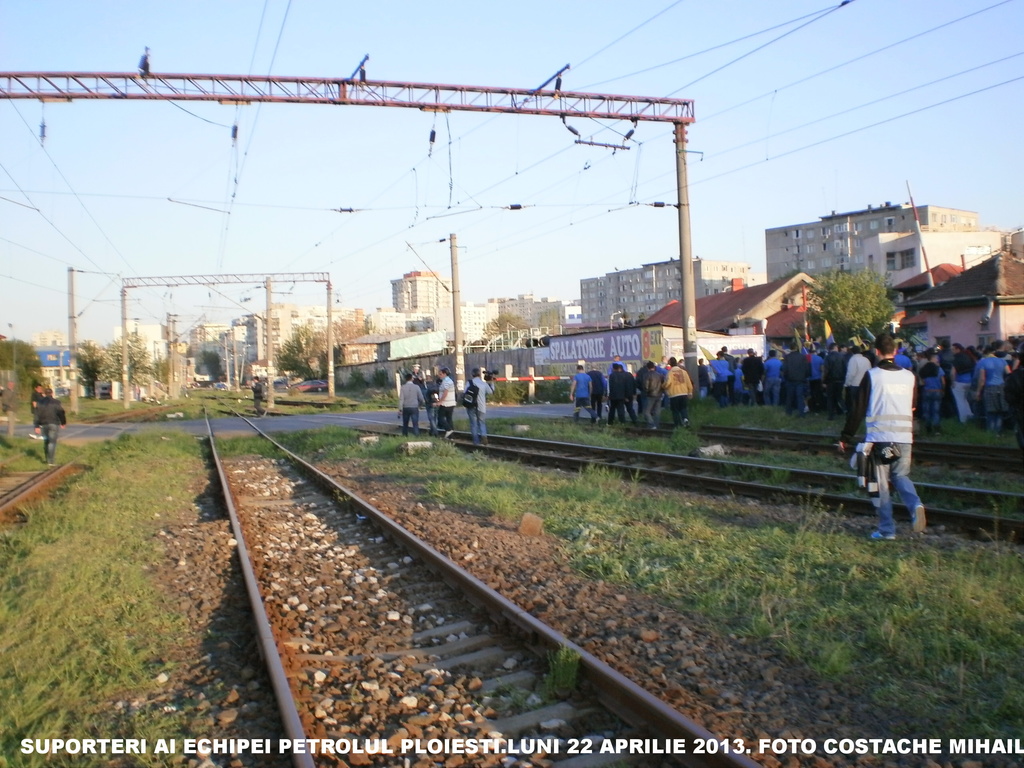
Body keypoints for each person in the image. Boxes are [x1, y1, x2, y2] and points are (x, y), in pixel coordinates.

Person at [840, 334, 925, 540]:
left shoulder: (873, 376)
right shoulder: (909, 376)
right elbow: (913, 405)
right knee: (901, 476)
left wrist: (846, 436)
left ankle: (887, 530)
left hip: (882, 440)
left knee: (882, 483)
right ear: (895, 351)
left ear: (877, 352)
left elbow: (858, 409)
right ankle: (916, 506)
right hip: (904, 438)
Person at [974, 345, 1011, 433]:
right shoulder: (1002, 361)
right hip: (1001, 387)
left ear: (985, 353)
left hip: (989, 388)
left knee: (990, 412)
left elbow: (982, 379)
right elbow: (1009, 374)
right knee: (999, 411)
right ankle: (998, 432)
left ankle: (991, 432)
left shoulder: (983, 362)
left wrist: (978, 392)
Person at [33, 387, 66, 467]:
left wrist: (36, 426)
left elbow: (36, 415)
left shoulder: (40, 402)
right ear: (52, 393)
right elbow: (61, 413)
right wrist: (63, 422)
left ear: (45, 393)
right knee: (52, 442)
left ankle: (47, 459)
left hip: (43, 424)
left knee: (46, 441)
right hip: (54, 423)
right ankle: (50, 461)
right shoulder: (56, 402)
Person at [464, 367, 495, 446]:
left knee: (473, 424)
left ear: (472, 374)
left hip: (471, 406)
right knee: (482, 423)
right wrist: (491, 382)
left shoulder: (469, 383)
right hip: (481, 407)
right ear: (479, 374)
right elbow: (491, 392)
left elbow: (465, 393)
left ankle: (476, 441)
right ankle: (484, 437)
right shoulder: (483, 384)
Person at [917, 349, 945, 435]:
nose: (937, 359)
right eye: (936, 358)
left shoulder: (923, 369)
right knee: (936, 411)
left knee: (927, 410)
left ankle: (928, 428)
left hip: (926, 391)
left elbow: (922, 382)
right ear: (932, 358)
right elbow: (943, 381)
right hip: (937, 391)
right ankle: (936, 429)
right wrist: (943, 390)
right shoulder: (939, 369)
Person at [949, 343, 975, 424]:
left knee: (960, 401)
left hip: (959, 382)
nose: (952, 351)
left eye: (953, 349)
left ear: (958, 349)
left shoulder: (956, 359)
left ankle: (963, 420)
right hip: (969, 381)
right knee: (965, 399)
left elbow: (952, 373)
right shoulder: (968, 356)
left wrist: (952, 382)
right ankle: (969, 414)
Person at [664, 357, 693, 428]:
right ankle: (685, 419)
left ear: (670, 364)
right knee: (683, 408)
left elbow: (667, 383)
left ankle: (678, 425)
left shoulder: (670, 373)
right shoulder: (684, 372)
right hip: (684, 393)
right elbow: (689, 383)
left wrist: (663, 386)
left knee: (675, 410)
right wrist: (690, 392)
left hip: (674, 394)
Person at [782, 347, 810, 417]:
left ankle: (788, 412)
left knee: (789, 397)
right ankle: (801, 413)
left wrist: (786, 377)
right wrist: (805, 377)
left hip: (790, 380)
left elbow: (784, 369)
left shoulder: (787, 357)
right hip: (800, 380)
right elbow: (807, 368)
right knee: (800, 397)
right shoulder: (803, 357)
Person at [823, 343, 848, 420]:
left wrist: (824, 381)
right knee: (839, 397)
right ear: (835, 348)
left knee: (830, 398)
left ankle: (831, 415)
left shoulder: (827, 357)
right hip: (840, 380)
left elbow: (826, 370)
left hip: (830, 381)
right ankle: (845, 411)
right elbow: (845, 369)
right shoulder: (842, 357)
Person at [398, 373, 425, 437]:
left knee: (405, 423)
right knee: (415, 424)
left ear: (405, 379)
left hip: (406, 407)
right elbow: (421, 398)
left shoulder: (403, 387)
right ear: (412, 379)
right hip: (414, 407)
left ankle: (404, 436)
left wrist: (400, 409)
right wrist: (420, 405)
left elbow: (401, 399)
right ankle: (417, 436)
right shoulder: (416, 387)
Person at [642, 361, 665, 428]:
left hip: (650, 395)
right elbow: (663, 385)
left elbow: (646, 386)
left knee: (647, 412)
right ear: (654, 367)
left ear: (647, 368)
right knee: (657, 411)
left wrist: (646, 392)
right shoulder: (660, 375)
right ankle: (657, 425)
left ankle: (651, 424)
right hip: (659, 394)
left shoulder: (646, 375)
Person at [436, 367, 457, 438]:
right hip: (451, 403)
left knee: (440, 417)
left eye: (440, 374)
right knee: (449, 419)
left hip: (446, 403)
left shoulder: (446, 381)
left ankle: (448, 430)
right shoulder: (449, 381)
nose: (439, 375)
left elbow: (445, 392)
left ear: (445, 374)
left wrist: (440, 401)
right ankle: (451, 436)